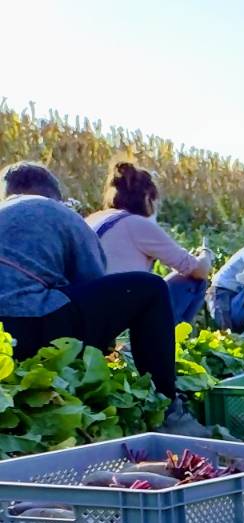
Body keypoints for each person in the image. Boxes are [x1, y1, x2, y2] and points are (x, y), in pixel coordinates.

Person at [0, 161, 193, 428]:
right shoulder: (56, 211)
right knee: (152, 288)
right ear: (54, 195)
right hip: (27, 326)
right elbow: (91, 280)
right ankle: (168, 407)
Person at [85, 161, 212, 327]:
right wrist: (206, 254)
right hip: (116, 312)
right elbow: (198, 270)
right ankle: (169, 337)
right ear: (147, 198)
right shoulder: (137, 224)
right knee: (194, 281)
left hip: (86, 307)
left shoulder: (93, 218)